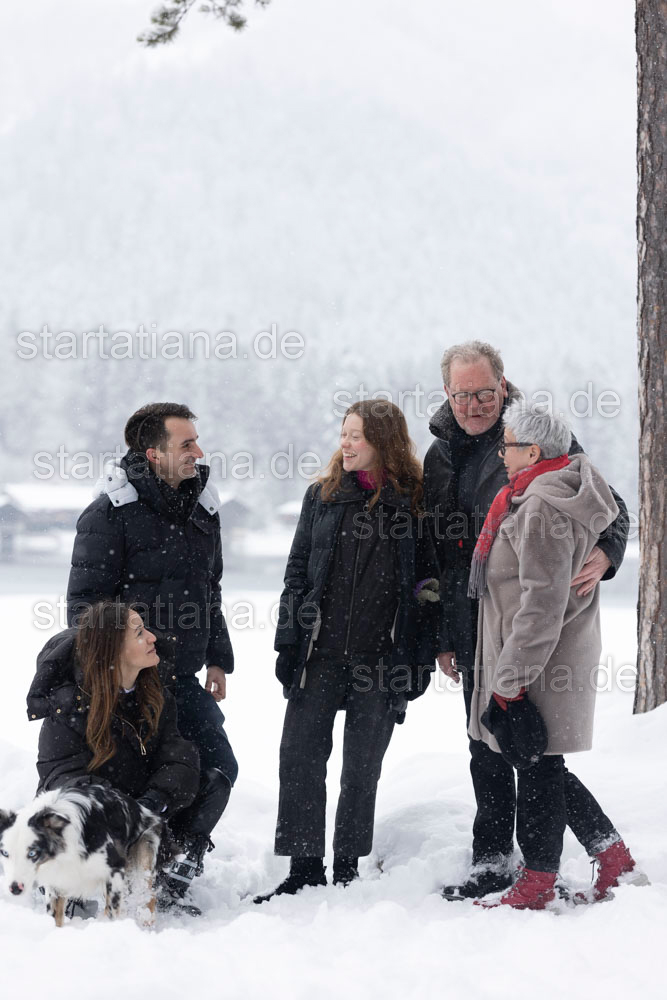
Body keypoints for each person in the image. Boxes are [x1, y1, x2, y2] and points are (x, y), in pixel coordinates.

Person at [423, 341, 630, 899]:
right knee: (488, 747)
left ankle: (545, 867)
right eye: (462, 395)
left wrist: (608, 553)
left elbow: (604, 502)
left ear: (502, 384)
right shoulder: (439, 455)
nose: (474, 405)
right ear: (446, 393)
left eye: (484, 393)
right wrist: (443, 632)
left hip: (526, 627)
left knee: (529, 747)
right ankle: (492, 860)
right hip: (473, 621)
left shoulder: (534, 437)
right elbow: (435, 552)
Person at [255, 401, 441, 901]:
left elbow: (430, 584)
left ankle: (346, 868)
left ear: (383, 441)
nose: (346, 443)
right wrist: (288, 641)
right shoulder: (322, 496)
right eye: (344, 433)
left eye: (356, 435)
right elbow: (297, 574)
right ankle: (303, 869)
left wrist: (419, 656)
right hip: (319, 654)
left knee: (361, 769)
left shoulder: (415, 502)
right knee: (300, 758)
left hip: (381, 661)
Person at [466, 402, 646, 909]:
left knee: (539, 770)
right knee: (544, 766)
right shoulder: (545, 493)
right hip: (543, 654)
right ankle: (611, 856)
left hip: (540, 660)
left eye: (508, 446)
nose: (501, 454)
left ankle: (539, 881)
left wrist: (509, 680)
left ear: (534, 452)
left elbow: (542, 604)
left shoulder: (542, 508)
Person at [65, 402, 238, 855]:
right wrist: (114, 679)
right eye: (187, 444)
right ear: (154, 454)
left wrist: (218, 658)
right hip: (130, 684)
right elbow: (84, 610)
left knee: (218, 768)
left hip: (183, 676)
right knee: (148, 779)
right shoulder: (108, 515)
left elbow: (210, 590)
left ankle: (179, 860)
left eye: (196, 442)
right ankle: (118, 862)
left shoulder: (203, 511)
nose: (198, 452)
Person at [28, 602, 231, 915]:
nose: (152, 637)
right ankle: (67, 884)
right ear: (112, 650)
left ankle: (169, 881)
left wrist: (153, 802)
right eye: (139, 633)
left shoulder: (155, 692)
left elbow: (179, 757)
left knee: (214, 783)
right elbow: (62, 777)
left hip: (141, 812)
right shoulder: (67, 705)